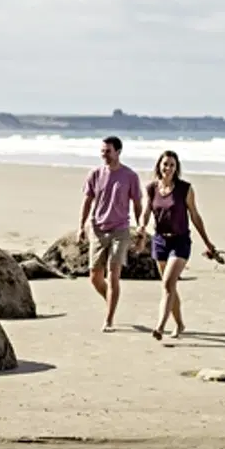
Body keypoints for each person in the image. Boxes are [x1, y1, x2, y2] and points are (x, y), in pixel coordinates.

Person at [136, 150, 222, 341]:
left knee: (167, 283)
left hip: (180, 241)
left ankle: (159, 327)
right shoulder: (151, 188)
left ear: (177, 168)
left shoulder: (185, 189)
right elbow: (146, 211)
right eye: (165, 164)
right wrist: (142, 226)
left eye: (172, 165)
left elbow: (195, 216)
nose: (168, 168)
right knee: (170, 286)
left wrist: (208, 243)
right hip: (159, 241)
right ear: (159, 165)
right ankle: (180, 324)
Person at [78, 135, 143, 332]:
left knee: (114, 274)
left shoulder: (130, 176)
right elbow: (87, 201)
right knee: (95, 277)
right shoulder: (95, 174)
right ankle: (110, 299)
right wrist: (81, 226)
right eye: (102, 151)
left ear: (118, 152)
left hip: (120, 230)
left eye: (108, 151)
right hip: (98, 229)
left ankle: (109, 319)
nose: (104, 155)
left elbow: (138, 204)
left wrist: (141, 228)